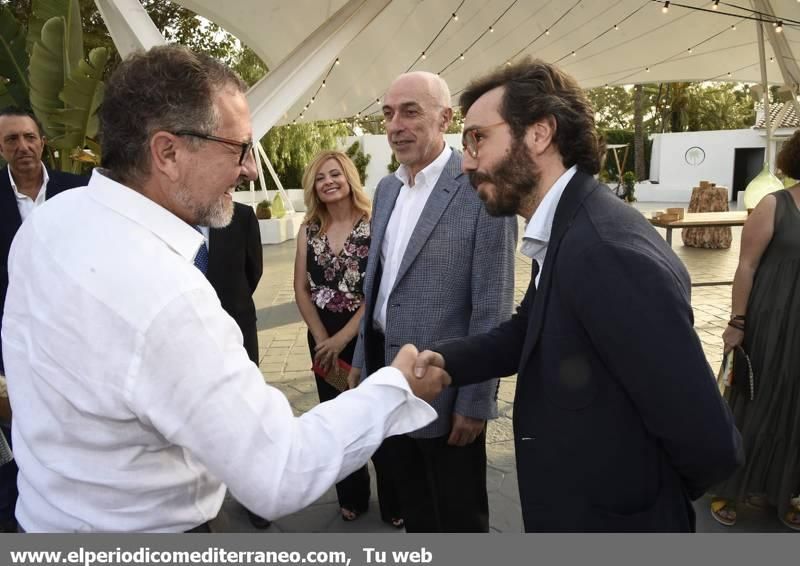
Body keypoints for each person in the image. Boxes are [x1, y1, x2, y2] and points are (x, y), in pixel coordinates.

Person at [0, 45, 449, 533]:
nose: (251, 168)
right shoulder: (167, 297)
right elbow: (278, 471)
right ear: (168, 152)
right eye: (238, 147)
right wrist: (396, 388)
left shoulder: (48, 224)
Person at [414, 58, 743, 532]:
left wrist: (640, 504)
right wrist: (444, 364)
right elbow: (529, 328)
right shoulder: (567, 225)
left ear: (539, 134)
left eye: (477, 138)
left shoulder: (603, 251)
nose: (466, 161)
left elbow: (707, 439)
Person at [347, 72, 517, 532]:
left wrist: (476, 400)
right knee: (414, 506)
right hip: (387, 375)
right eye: (387, 113)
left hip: (444, 382)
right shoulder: (386, 189)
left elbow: (493, 305)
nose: (395, 125)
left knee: (459, 515)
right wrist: (363, 361)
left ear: (445, 118)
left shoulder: (481, 189)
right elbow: (377, 286)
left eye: (410, 111)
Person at [0, 107, 87, 532]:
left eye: (29, 137)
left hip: (78, 343)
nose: (23, 147)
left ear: (42, 141)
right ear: (1, 148)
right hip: (15, 348)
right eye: (12, 140)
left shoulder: (78, 191)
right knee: (26, 439)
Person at [712, 130, 800, 531]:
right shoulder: (774, 205)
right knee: (755, 399)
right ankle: (727, 489)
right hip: (769, 321)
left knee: (795, 409)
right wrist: (737, 321)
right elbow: (745, 265)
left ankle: (782, 493)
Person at [294, 150, 374, 523]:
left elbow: (378, 290)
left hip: (365, 336)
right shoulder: (308, 230)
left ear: (349, 179)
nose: (327, 182)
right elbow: (301, 289)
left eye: (334, 175)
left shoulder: (374, 223)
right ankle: (352, 496)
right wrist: (322, 338)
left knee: (378, 413)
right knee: (340, 415)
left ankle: (396, 498)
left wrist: (342, 338)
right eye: (320, 177)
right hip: (324, 342)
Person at [201, 200, 270, 529]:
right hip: (186, 335)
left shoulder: (241, 216)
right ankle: (200, 496)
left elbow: (253, 270)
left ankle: (252, 494)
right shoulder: (169, 213)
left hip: (238, 327)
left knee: (246, 411)